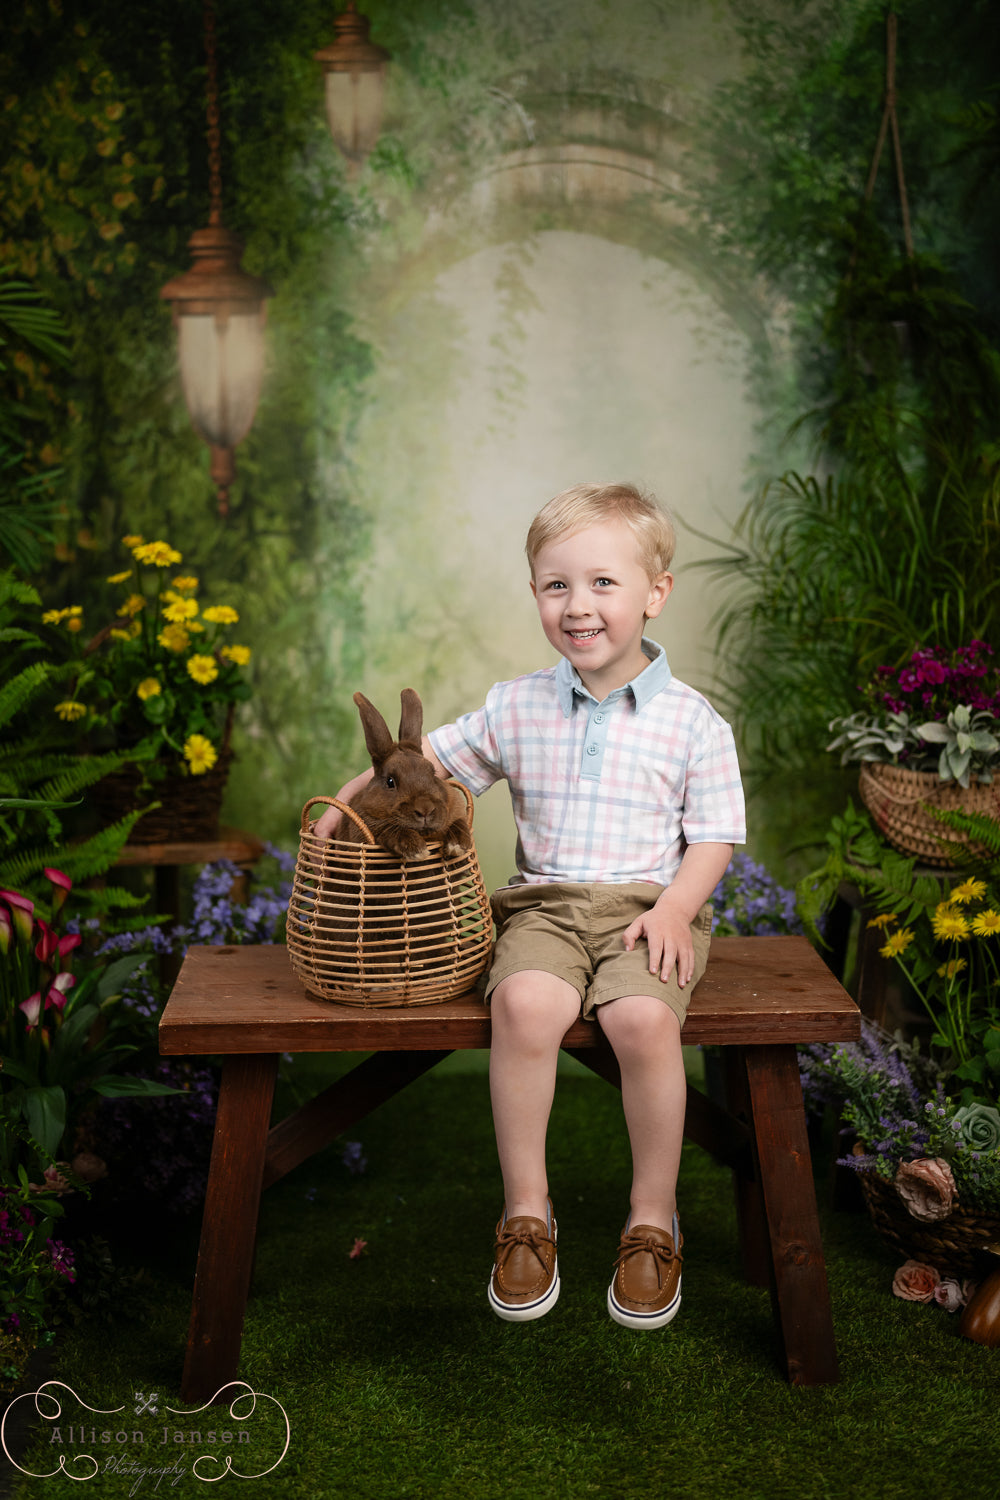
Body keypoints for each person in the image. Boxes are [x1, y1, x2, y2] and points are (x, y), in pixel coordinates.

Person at [314, 481, 745, 1330]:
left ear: (656, 592)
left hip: (647, 909)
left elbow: (715, 838)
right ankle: (527, 1213)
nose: (578, 606)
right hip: (543, 909)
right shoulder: (517, 706)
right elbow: (415, 766)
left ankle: (652, 1218)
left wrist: (675, 911)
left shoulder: (695, 723)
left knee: (641, 1024)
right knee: (524, 1002)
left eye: (603, 584)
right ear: (536, 593)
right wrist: (338, 807)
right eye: (556, 585)